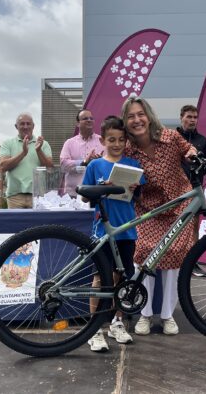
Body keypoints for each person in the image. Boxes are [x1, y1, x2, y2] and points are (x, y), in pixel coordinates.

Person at [122, 97, 197, 336]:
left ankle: (167, 316)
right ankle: (144, 315)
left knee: (174, 259)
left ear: (149, 115)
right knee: (145, 255)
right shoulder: (127, 149)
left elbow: (189, 149)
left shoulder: (170, 137)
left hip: (179, 206)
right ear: (125, 121)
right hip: (148, 210)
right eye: (131, 116)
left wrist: (194, 154)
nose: (137, 120)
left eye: (140, 114)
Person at [81, 116, 145, 352]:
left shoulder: (132, 165)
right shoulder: (95, 165)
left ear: (126, 140)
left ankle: (117, 323)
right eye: (111, 140)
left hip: (127, 230)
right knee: (99, 279)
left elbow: (138, 198)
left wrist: (135, 190)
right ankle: (94, 328)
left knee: (123, 280)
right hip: (103, 231)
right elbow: (85, 197)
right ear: (102, 139)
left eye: (120, 140)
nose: (116, 144)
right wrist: (102, 189)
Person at [176, 105, 206, 277]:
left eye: (195, 117)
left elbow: (204, 165)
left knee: (194, 228)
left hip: (195, 190)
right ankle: (175, 261)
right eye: (189, 116)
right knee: (174, 227)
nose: (192, 120)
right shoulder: (172, 138)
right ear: (181, 117)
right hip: (174, 191)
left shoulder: (203, 141)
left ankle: (192, 263)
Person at [0, 113, 53, 209]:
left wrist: (39, 150)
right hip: (14, 196)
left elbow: (49, 168)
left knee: (38, 224)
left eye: (28, 124)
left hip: (38, 196)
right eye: (22, 124)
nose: (25, 126)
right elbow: (3, 166)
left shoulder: (43, 144)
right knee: (16, 224)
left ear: (33, 126)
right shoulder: (7, 143)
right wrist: (23, 153)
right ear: (16, 126)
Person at [59, 109, 105, 197]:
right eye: (85, 118)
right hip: (73, 194)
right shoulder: (69, 143)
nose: (89, 120)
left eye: (91, 118)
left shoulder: (102, 141)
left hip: (96, 194)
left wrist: (99, 162)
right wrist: (83, 162)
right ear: (77, 123)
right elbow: (63, 165)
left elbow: (109, 164)